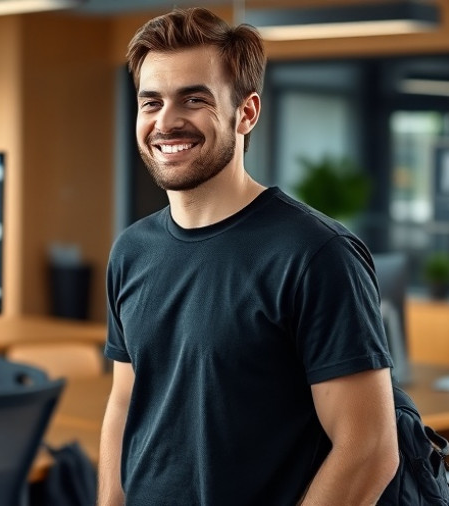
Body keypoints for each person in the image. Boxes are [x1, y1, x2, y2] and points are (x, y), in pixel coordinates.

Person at [98, 7, 399, 505]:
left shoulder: (315, 255)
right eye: (150, 102)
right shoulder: (131, 250)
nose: (166, 121)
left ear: (248, 112)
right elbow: (125, 401)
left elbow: (368, 449)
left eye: (193, 99)